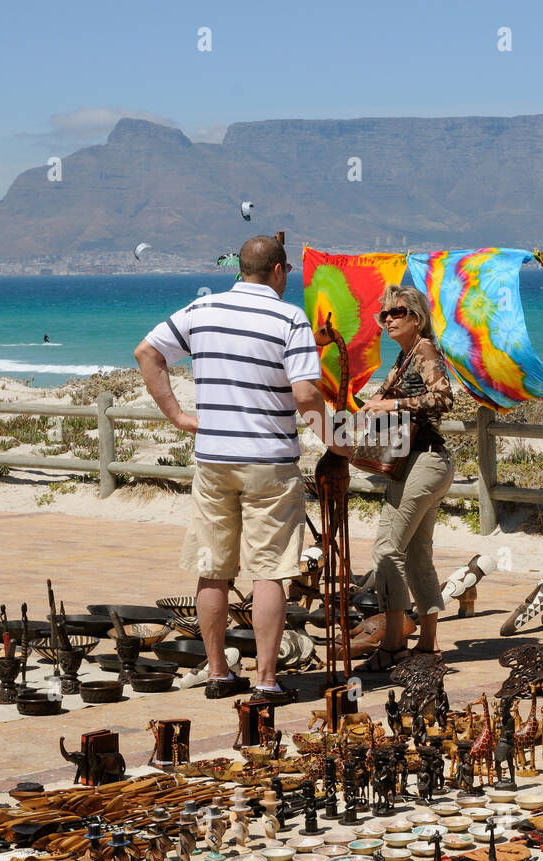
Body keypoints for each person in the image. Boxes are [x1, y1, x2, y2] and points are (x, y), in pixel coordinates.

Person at [136, 235, 350, 702]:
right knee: (269, 571)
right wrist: (337, 442)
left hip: (213, 459)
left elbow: (147, 354)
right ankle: (267, 682)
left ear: (239, 267)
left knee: (213, 570)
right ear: (278, 271)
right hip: (269, 461)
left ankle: (217, 674)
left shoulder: (201, 310)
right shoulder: (288, 316)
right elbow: (307, 395)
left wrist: (177, 415)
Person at [356, 285, 455, 671]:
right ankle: (427, 647)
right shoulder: (404, 357)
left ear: (417, 317)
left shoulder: (425, 350)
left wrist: (390, 403)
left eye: (397, 312)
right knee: (416, 556)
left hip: (424, 462)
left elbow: (444, 397)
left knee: (386, 550)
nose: (389, 319)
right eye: (384, 314)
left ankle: (394, 645)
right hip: (418, 464)